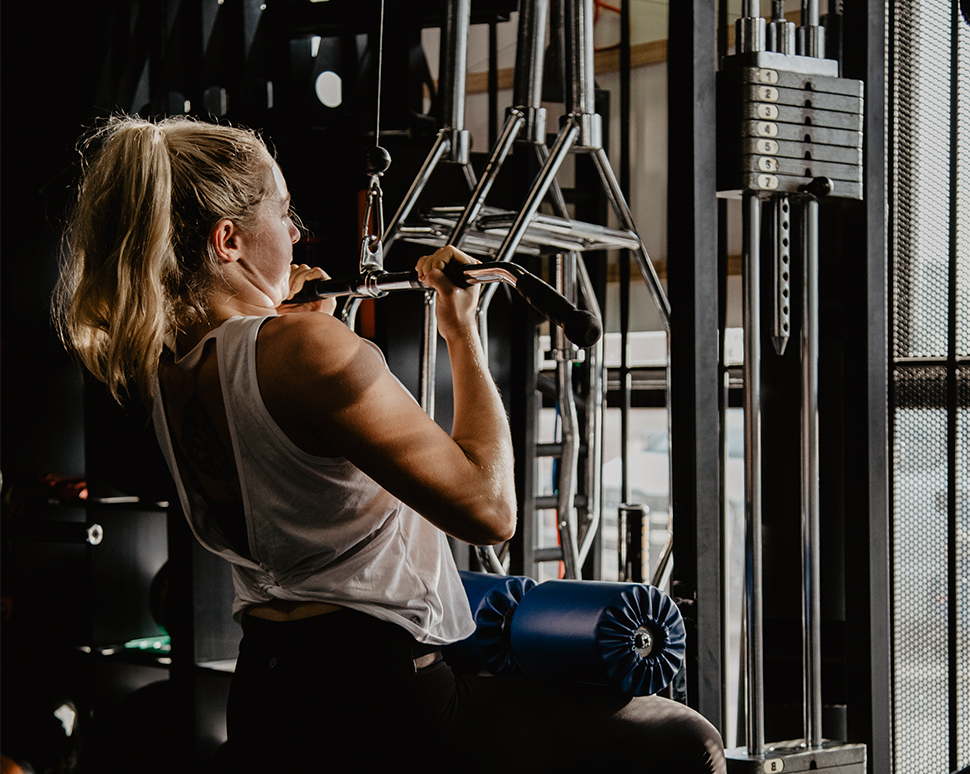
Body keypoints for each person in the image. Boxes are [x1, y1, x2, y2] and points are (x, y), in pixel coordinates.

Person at [56, 115, 725, 772]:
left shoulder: (167, 364)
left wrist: (293, 323)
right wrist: (466, 335)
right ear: (229, 239)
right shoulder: (303, 350)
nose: (296, 233)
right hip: (379, 704)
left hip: (267, 692)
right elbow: (488, 509)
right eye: (283, 214)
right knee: (684, 739)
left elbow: (284, 439)